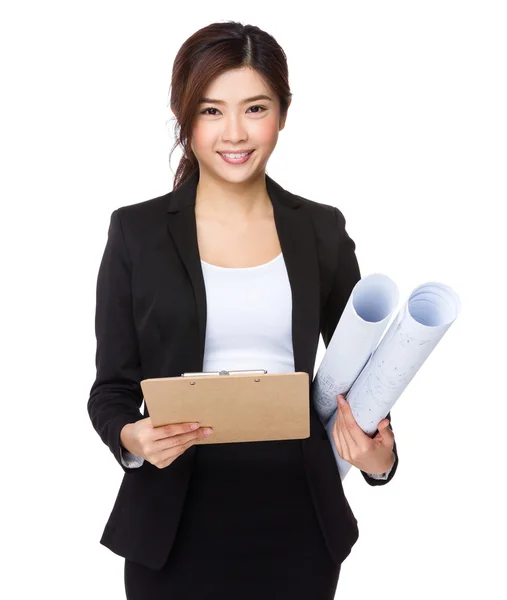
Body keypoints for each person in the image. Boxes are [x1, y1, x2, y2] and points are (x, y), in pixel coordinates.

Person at [87, 20, 398, 600]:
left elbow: (366, 374)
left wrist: (381, 457)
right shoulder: (137, 232)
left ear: (282, 112)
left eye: (254, 108)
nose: (234, 132)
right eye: (211, 111)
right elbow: (110, 388)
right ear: (186, 116)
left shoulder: (320, 230)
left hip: (298, 517)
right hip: (173, 522)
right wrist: (132, 437)